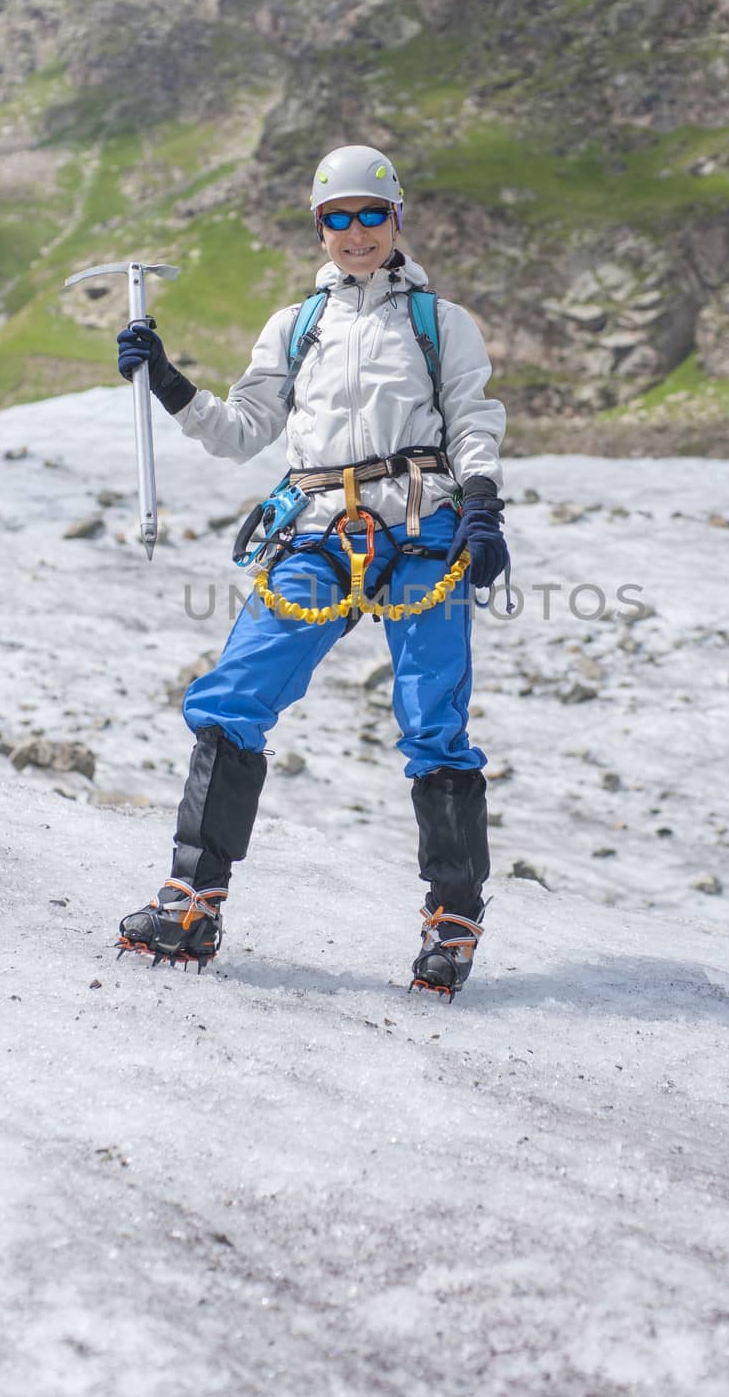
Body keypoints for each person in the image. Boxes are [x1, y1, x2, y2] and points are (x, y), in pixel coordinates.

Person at [115, 144, 508, 997]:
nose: (355, 231)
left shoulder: (442, 322)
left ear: (397, 218)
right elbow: (241, 430)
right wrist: (168, 382)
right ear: (319, 227)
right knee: (233, 695)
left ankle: (452, 921)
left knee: (431, 720)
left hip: (424, 527)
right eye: (338, 217)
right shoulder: (296, 325)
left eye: (371, 214)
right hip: (315, 531)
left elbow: (473, 417)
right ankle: (192, 898)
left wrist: (481, 503)